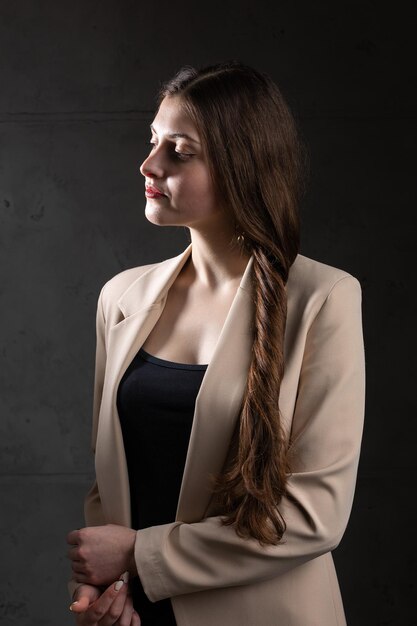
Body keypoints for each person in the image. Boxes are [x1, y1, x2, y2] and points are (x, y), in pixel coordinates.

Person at [66, 61, 366, 626]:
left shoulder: (321, 299)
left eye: (180, 151)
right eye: (153, 141)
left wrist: (139, 555)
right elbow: (109, 486)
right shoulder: (121, 298)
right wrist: (100, 592)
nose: (148, 164)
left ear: (241, 166)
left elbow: (314, 513)